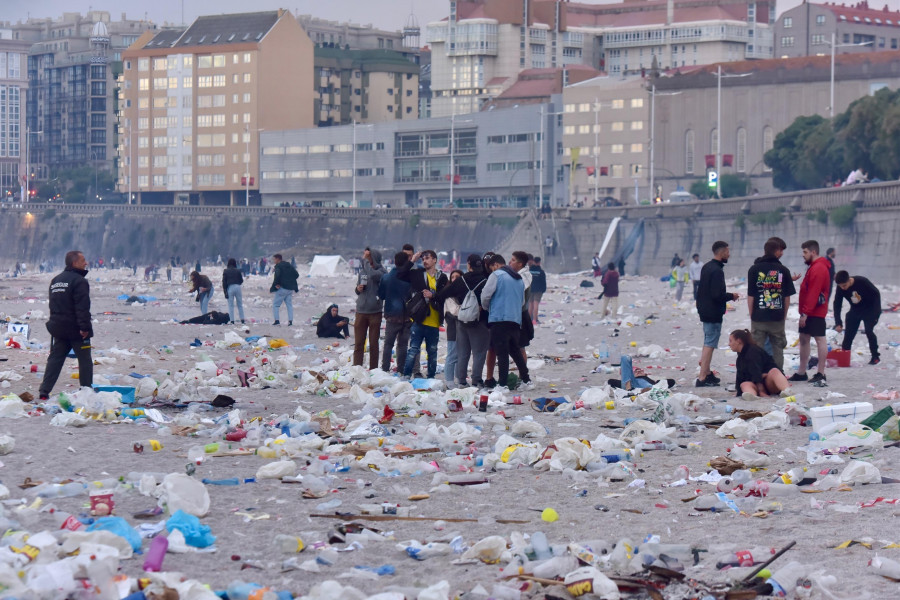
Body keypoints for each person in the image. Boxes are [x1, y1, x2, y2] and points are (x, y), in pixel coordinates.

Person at [38, 251, 94, 401]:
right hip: (76, 329)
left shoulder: (56, 281)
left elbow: (53, 305)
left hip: (58, 327)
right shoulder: (80, 281)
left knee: (55, 359)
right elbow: (82, 307)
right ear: (74, 263)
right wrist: (85, 328)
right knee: (85, 360)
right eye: (83, 260)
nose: (86, 263)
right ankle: (86, 390)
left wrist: (54, 324)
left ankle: (44, 391)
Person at [435, 253, 490, 387]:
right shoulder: (486, 280)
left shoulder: (461, 280)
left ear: (468, 265)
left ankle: (461, 381)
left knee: (463, 353)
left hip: (462, 320)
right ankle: (476, 380)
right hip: (480, 321)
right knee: (479, 353)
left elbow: (442, 295)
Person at [481, 254, 533, 391]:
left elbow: (485, 295)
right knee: (515, 351)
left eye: (492, 268)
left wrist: (487, 307)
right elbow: (522, 302)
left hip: (499, 319)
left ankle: (502, 384)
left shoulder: (497, 275)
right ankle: (526, 379)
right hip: (515, 320)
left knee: (501, 352)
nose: (492, 270)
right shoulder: (518, 278)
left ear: (496, 265)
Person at [397, 250, 448, 379]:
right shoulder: (417, 274)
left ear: (435, 260)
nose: (424, 261)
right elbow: (400, 275)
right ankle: (407, 376)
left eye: (428, 258)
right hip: (419, 320)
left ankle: (431, 377)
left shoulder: (442, 277)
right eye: (423, 259)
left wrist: (433, 295)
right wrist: (412, 260)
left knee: (432, 352)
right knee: (413, 350)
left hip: (434, 321)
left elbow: (443, 296)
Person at [747, 237, 796, 370]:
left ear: (765, 251)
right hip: (777, 316)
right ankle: (778, 375)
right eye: (780, 250)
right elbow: (787, 297)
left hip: (758, 316)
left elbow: (751, 295)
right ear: (776, 251)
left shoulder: (754, 269)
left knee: (756, 348)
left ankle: (756, 376)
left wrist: (752, 314)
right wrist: (784, 315)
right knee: (778, 348)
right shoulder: (783, 270)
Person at [696, 241, 740, 387]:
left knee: (707, 341)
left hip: (704, 310)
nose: (729, 254)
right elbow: (717, 295)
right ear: (721, 253)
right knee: (710, 343)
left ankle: (707, 372)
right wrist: (731, 296)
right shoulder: (717, 271)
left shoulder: (707, 267)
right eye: (727, 251)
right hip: (713, 312)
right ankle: (702, 377)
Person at [789, 240, 831, 386]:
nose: (803, 255)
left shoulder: (818, 268)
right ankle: (802, 372)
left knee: (820, 339)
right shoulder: (814, 267)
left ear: (813, 252)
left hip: (815, 311)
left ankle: (821, 372)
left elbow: (814, 292)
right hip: (809, 310)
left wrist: (805, 313)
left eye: (805, 252)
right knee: (804, 338)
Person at [833, 270, 882, 365]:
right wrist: (838, 322)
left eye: (844, 285)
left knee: (869, 331)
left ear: (849, 280)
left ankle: (875, 356)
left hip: (870, 309)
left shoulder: (862, 281)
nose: (843, 288)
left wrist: (876, 314)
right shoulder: (840, 288)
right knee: (849, 333)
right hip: (855, 309)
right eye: (840, 286)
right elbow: (837, 304)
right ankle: (844, 356)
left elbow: (876, 294)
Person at [728, 329, 790, 400]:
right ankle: (752, 396)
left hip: (768, 383)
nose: (729, 344)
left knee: (774, 371)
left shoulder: (753, 351)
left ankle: (787, 391)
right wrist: (738, 391)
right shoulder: (740, 358)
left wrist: (762, 391)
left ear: (739, 341)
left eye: (730, 341)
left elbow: (756, 372)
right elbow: (740, 378)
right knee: (744, 384)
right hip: (755, 384)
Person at [378, 252, 412, 373]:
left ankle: (385, 368)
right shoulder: (410, 277)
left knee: (388, 344)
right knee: (402, 345)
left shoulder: (386, 277)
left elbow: (381, 295)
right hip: (407, 316)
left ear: (394, 261)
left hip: (391, 316)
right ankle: (401, 370)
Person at [353, 248, 385, 370]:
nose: (366, 259)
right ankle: (357, 368)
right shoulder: (362, 272)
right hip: (361, 311)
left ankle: (373, 369)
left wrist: (365, 261)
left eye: (369, 257)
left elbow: (372, 275)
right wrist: (358, 289)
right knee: (359, 343)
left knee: (373, 344)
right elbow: (357, 290)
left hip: (375, 312)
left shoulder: (381, 271)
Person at [443, 269, 464, 388]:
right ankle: (449, 381)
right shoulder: (449, 295)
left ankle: (458, 379)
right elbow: (455, 312)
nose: (455, 279)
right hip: (452, 329)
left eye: (457, 276)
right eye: (453, 277)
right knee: (452, 355)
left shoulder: (463, 294)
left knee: (460, 355)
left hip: (462, 330)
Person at [270, 253, 299, 326]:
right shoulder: (289, 265)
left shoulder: (278, 267)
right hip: (290, 289)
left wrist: (276, 285)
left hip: (282, 288)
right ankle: (290, 321)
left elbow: (277, 276)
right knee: (289, 305)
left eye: (274, 259)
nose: (274, 261)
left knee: (276, 305)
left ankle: (277, 321)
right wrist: (289, 280)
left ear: (277, 259)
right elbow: (296, 275)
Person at [222, 258, 245, 325]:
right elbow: (241, 280)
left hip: (230, 287)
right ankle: (242, 320)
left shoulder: (225, 271)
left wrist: (225, 292)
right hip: (238, 287)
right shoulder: (238, 271)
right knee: (240, 304)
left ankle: (232, 320)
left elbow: (224, 282)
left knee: (231, 305)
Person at [528, 256, 547, 324]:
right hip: (538, 290)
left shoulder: (529, 271)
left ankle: (529, 320)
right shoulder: (541, 272)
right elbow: (543, 282)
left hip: (530, 290)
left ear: (533, 262)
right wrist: (543, 290)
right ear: (539, 262)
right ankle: (535, 320)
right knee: (536, 305)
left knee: (530, 305)